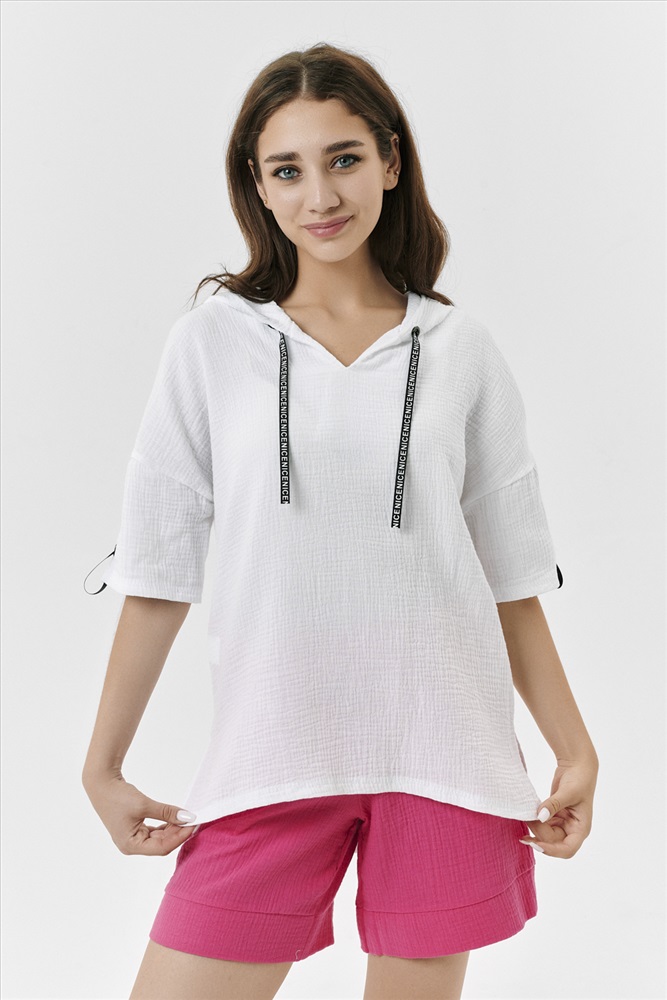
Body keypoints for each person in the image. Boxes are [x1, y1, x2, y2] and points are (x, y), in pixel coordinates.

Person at [82, 41, 599, 1000]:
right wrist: (103, 764)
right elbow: (159, 570)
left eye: (344, 159)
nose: (320, 195)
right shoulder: (210, 346)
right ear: (258, 186)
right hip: (270, 757)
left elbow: (508, 577)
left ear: (390, 162)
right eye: (288, 170)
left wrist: (574, 748)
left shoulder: (460, 350)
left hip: (444, 760)